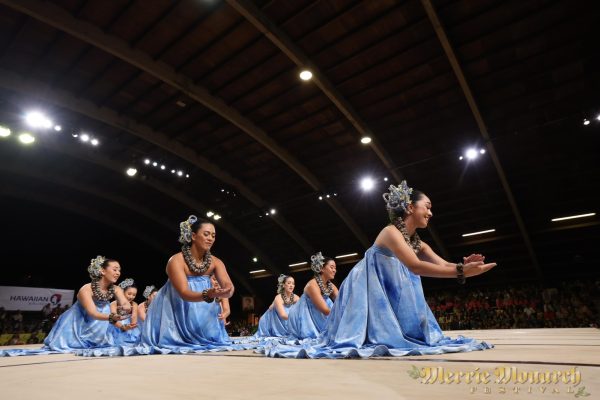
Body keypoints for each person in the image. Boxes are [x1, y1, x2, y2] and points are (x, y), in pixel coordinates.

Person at [263, 181, 496, 358]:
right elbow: (415, 267)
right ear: (409, 206)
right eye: (427, 206)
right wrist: (461, 272)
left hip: (386, 289)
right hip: (365, 288)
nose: (431, 212)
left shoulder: (417, 242)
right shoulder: (390, 233)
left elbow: (442, 264)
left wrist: (462, 266)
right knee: (360, 338)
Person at [135, 215, 240, 354]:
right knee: (176, 342)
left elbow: (229, 286)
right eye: (206, 234)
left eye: (213, 236)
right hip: (175, 305)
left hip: (204, 306)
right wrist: (210, 293)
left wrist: (227, 291)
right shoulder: (176, 260)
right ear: (194, 236)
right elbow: (184, 293)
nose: (210, 238)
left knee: (210, 339)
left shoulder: (216, 262)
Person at [1, 256, 130, 356]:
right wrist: (113, 317)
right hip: (77, 323)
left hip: (100, 323)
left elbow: (124, 303)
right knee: (69, 346)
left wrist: (125, 307)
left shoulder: (116, 289)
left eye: (119, 270)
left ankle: (96, 340)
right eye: (115, 269)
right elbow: (93, 313)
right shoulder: (86, 289)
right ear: (102, 270)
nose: (118, 273)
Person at [287, 253, 338, 340]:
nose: (334, 270)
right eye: (332, 267)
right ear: (322, 268)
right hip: (304, 316)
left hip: (321, 314)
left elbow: (342, 302)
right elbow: (325, 310)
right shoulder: (312, 285)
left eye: (335, 268)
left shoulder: (331, 286)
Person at [108, 278, 140, 345]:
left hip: (129, 326)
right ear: (122, 292)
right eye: (129, 294)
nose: (131, 297)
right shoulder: (114, 304)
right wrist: (122, 326)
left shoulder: (134, 304)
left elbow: (134, 317)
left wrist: (131, 326)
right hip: (116, 325)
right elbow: (113, 318)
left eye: (134, 295)